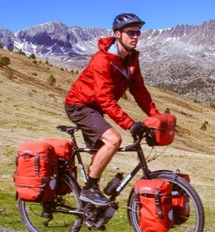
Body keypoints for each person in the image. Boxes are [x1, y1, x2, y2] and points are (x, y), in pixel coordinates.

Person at [65, 13, 160, 206]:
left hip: (95, 108)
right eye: (130, 32)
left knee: (98, 156)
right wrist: (130, 125)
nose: (135, 36)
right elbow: (104, 98)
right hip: (80, 106)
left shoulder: (132, 58)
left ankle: (91, 208)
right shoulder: (103, 59)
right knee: (113, 140)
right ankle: (90, 189)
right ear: (117, 34)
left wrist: (156, 117)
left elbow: (139, 91)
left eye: (138, 33)